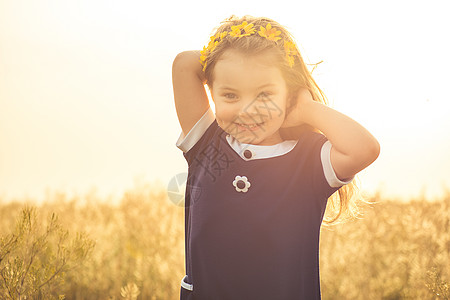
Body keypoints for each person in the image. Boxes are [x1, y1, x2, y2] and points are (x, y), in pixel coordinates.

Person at [172, 15, 380, 300]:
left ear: (289, 93)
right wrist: (231, 47)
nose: (247, 110)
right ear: (213, 92)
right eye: (230, 95)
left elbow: (365, 148)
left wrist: (306, 108)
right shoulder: (206, 145)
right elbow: (184, 64)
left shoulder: (309, 161)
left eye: (264, 94)